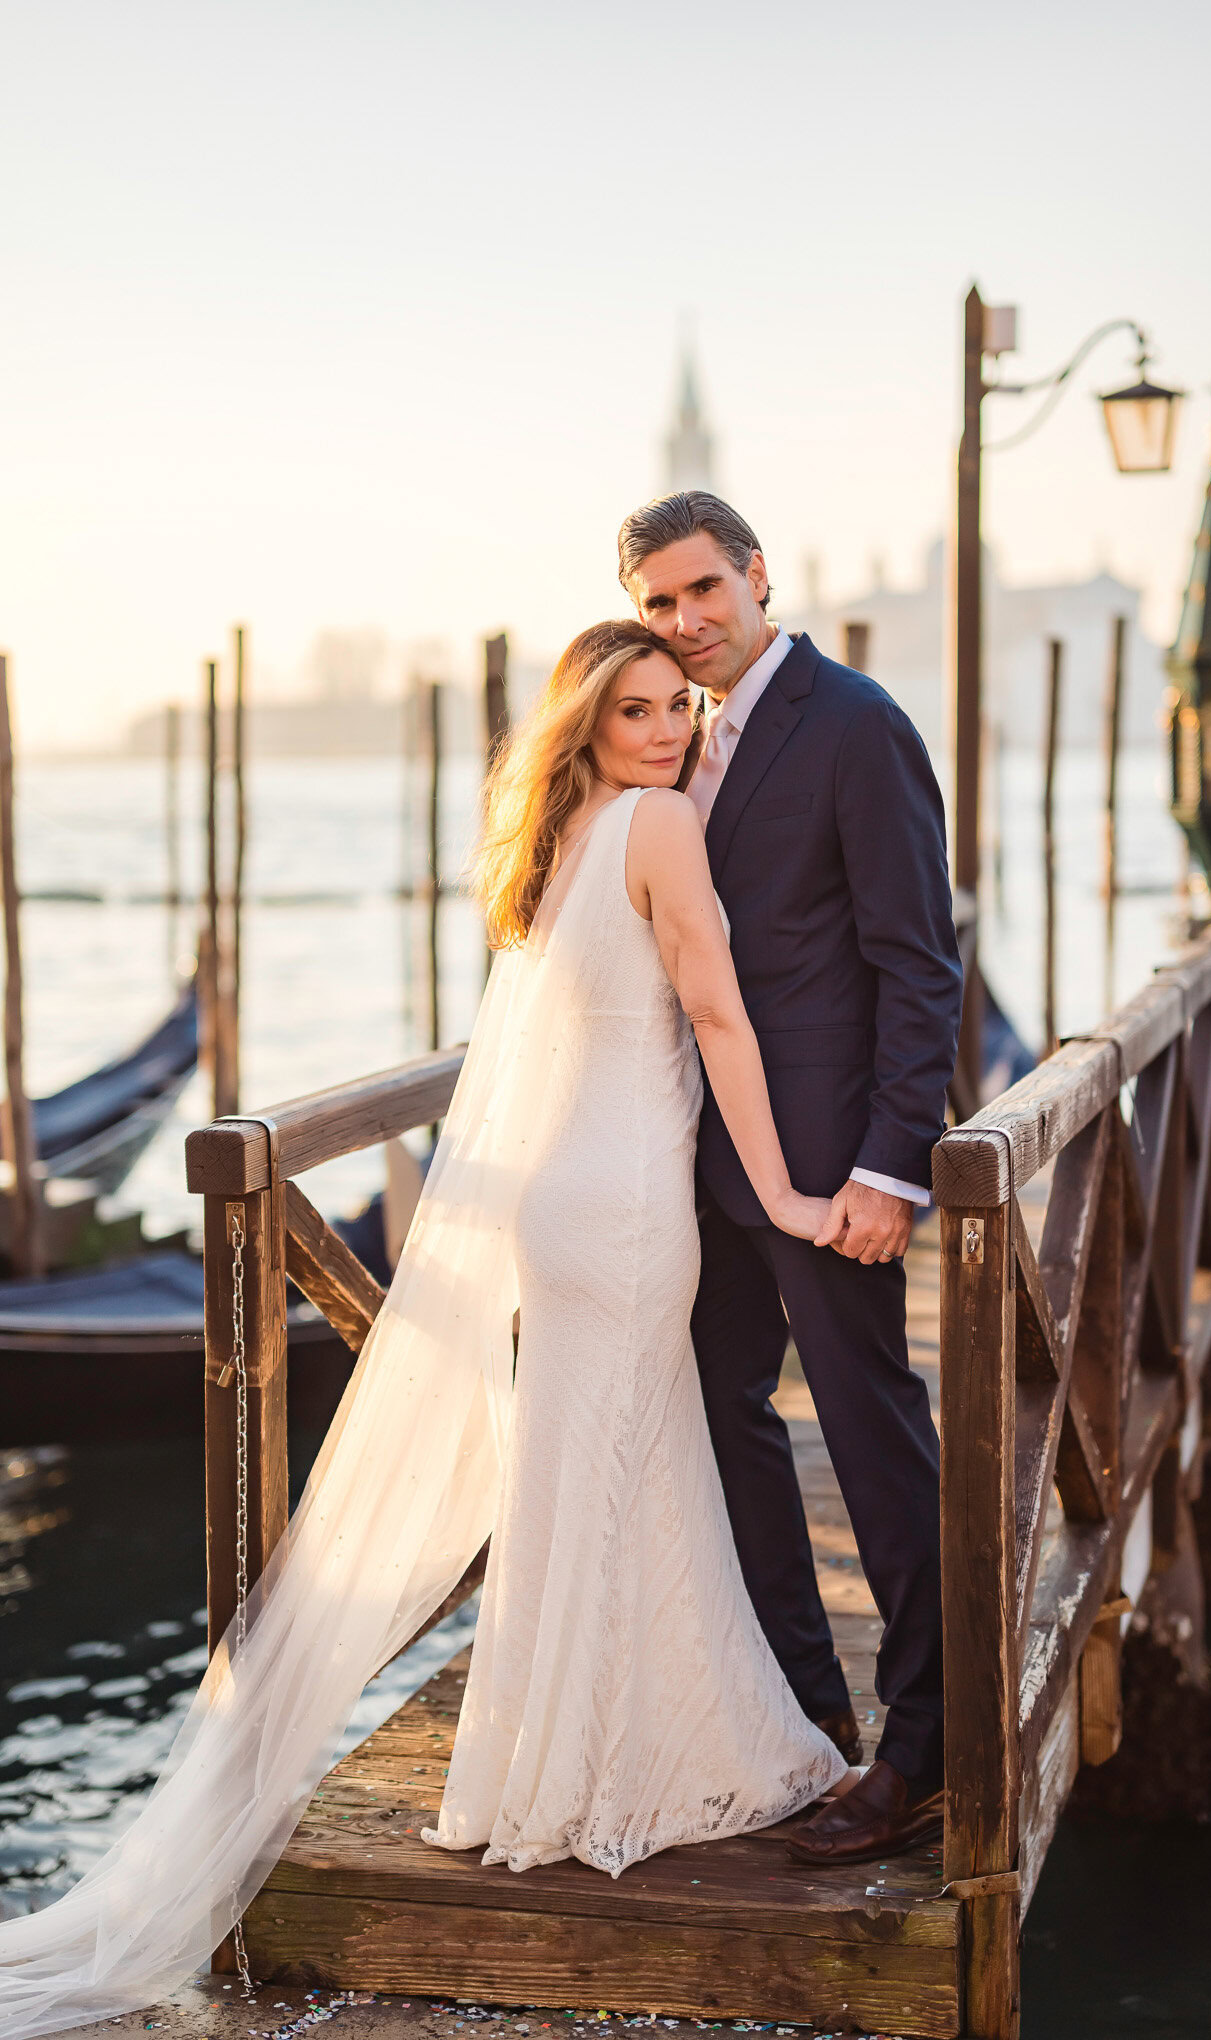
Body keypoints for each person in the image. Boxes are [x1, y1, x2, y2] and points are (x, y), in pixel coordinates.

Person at [0, 618, 850, 2039]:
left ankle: (539, 1773)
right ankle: (609, 1769)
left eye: (677, 709)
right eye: (635, 711)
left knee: (586, 1472)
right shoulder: (657, 828)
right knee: (628, 1465)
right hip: (633, 1204)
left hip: (555, 1204)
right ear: (590, 728)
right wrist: (780, 1189)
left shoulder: (561, 838)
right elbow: (717, 1018)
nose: (668, 731)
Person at [618, 491, 962, 1865]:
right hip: (701, 1161)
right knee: (722, 1419)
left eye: (705, 591)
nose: (687, 622)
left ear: (759, 575)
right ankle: (804, 1723)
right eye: (659, 604)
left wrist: (894, 1164)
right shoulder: (672, 736)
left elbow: (917, 964)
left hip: (828, 1172)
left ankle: (928, 1757)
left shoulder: (857, 723)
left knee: (875, 1441)